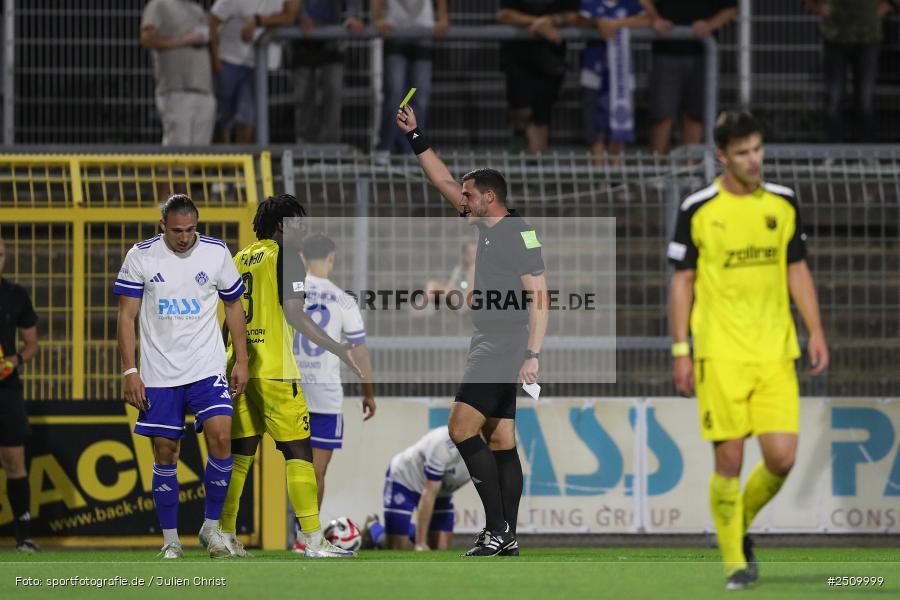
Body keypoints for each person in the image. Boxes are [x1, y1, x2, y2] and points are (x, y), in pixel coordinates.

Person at [667, 111, 829, 590]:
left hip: (776, 352)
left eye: (758, 149)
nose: (754, 159)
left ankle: (735, 524)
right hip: (719, 354)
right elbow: (683, 283)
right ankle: (736, 562)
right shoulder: (698, 207)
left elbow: (795, 268)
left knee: (781, 459)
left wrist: (815, 330)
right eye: (742, 152)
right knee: (730, 463)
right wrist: (681, 350)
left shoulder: (782, 202)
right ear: (722, 156)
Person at [395, 104, 550, 556]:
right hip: (491, 340)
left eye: (468, 194)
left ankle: (497, 530)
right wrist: (416, 136)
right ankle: (506, 537)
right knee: (501, 439)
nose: (460, 199)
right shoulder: (485, 224)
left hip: (503, 344)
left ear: (489, 197)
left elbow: (540, 295)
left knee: (461, 429)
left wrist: (532, 353)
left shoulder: (517, 232)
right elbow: (441, 180)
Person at [219, 194, 363, 558]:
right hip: (275, 370)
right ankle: (313, 540)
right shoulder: (286, 257)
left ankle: (225, 536)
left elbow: (228, 317)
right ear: (283, 226)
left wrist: (228, 362)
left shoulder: (239, 258)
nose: (304, 230)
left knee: (240, 456)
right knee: (299, 451)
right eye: (299, 223)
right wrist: (338, 348)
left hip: (238, 367)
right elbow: (296, 313)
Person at [114, 195, 250, 559]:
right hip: (159, 374)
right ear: (163, 226)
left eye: (191, 229)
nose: (186, 237)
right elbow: (126, 317)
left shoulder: (216, 252)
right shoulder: (141, 256)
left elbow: (234, 306)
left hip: (207, 368)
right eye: (177, 231)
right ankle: (171, 539)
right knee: (165, 453)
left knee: (222, 438)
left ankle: (209, 527)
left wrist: (242, 360)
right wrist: (130, 370)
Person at [289, 233, 376, 551]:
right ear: (332, 258)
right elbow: (359, 351)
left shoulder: (290, 292)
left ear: (301, 259)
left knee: (293, 465)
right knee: (317, 470)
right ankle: (306, 537)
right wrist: (368, 392)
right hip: (325, 394)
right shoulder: (342, 299)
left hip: (290, 389)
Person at [640, 0, 737, 154]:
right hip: (666, 51)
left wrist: (709, 25)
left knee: (695, 116)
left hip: (702, 54)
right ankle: (656, 168)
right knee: (662, 116)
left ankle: (689, 169)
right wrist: (655, 19)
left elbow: (730, 9)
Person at [209, 0, 301, 143]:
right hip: (228, 61)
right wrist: (215, 60)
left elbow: (290, 17)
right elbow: (212, 23)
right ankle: (222, 162)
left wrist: (257, 21)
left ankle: (241, 164)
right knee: (223, 121)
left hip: (259, 66)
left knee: (248, 119)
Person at [366, 426, 470, 551]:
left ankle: (412, 531)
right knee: (397, 547)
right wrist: (420, 543)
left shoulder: (493, 448)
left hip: (440, 493)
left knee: (440, 547)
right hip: (405, 480)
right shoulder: (443, 443)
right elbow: (429, 493)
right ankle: (373, 527)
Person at [803, 0, 894, 143]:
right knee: (834, 99)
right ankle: (834, 152)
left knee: (865, 100)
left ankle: (867, 152)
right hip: (835, 35)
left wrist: (889, 5)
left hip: (867, 35)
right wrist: (815, 5)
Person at [497, 0, 579, 154]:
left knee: (541, 116)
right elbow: (504, 15)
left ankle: (536, 166)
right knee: (522, 109)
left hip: (551, 57)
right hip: (517, 56)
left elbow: (573, 15)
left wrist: (551, 21)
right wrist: (538, 24)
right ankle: (519, 137)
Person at [0, 237, 40, 553]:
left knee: (15, 460)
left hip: (7, 390)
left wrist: (15, 360)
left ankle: (23, 537)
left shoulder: (15, 295)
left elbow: (31, 343)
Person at [576, 0, 650, 161]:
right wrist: (597, 22)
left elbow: (649, 19)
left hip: (621, 78)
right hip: (594, 75)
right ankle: (599, 177)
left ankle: (617, 179)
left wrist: (617, 23)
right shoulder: (590, 3)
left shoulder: (630, 4)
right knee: (595, 130)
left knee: (619, 128)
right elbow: (579, 20)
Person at [373, 0, 449, 155]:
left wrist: (443, 18)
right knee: (395, 94)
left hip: (423, 35)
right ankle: (386, 148)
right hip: (395, 33)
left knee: (418, 97)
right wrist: (378, 19)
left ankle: (414, 149)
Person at [140, 0, 216, 146]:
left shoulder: (197, 10)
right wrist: (184, 40)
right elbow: (147, 38)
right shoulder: (159, 4)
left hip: (204, 89)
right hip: (177, 89)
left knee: (200, 157)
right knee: (177, 156)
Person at [292, 1, 365, 144]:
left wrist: (352, 17)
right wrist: (300, 17)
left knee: (333, 94)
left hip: (333, 41)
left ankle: (329, 152)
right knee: (304, 98)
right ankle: (305, 150)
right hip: (302, 41)